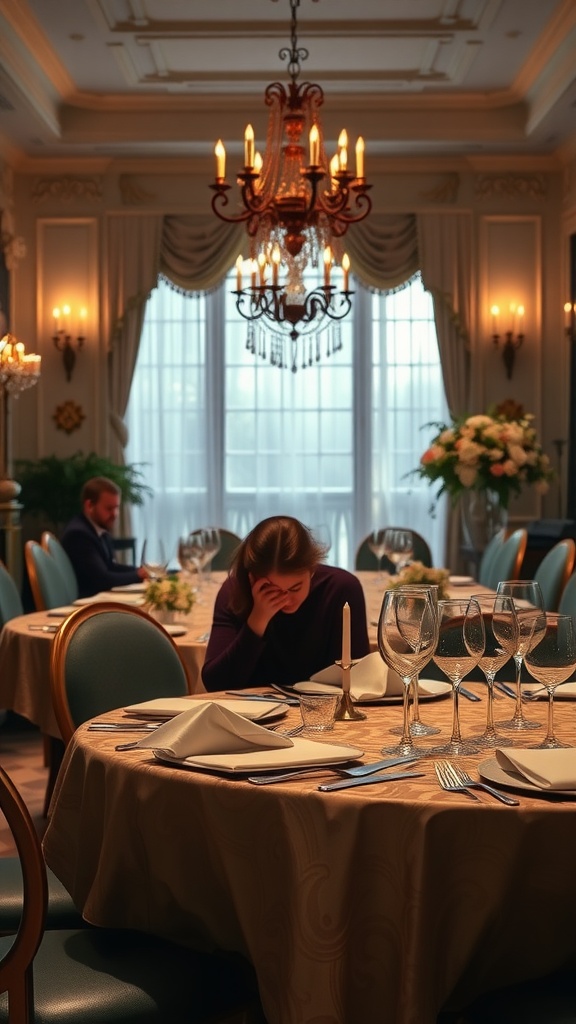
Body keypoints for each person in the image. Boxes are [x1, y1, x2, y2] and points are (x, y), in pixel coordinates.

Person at [202, 515, 370, 692]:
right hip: (251, 712)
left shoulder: (341, 589)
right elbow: (216, 685)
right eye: (272, 590)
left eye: (295, 588)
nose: (286, 599)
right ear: (253, 578)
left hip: (325, 710)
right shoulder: (234, 591)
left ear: (312, 569)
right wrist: (257, 621)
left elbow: (359, 679)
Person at [61, 476, 149, 598]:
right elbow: (103, 580)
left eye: (116, 507)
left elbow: (110, 567)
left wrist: (142, 571)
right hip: (86, 608)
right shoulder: (79, 535)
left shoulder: (99, 529)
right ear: (89, 506)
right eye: (109, 508)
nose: (114, 514)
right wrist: (139, 575)